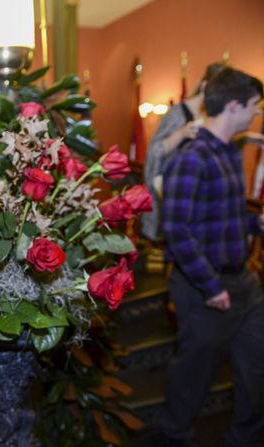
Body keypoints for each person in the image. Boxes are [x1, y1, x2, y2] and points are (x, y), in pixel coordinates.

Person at [159, 67, 264, 446]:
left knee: (256, 371)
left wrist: (256, 224)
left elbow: (225, 216)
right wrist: (210, 286)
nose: (256, 114)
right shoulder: (192, 158)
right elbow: (177, 230)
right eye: (254, 106)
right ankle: (174, 436)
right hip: (204, 288)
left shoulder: (229, 155)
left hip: (245, 286)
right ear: (233, 105)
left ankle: (246, 439)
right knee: (192, 376)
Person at [142, 63, 225, 241]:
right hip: (173, 186)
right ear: (204, 86)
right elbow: (155, 151)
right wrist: (181, 134)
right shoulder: (177, 113)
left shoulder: (210, 116)